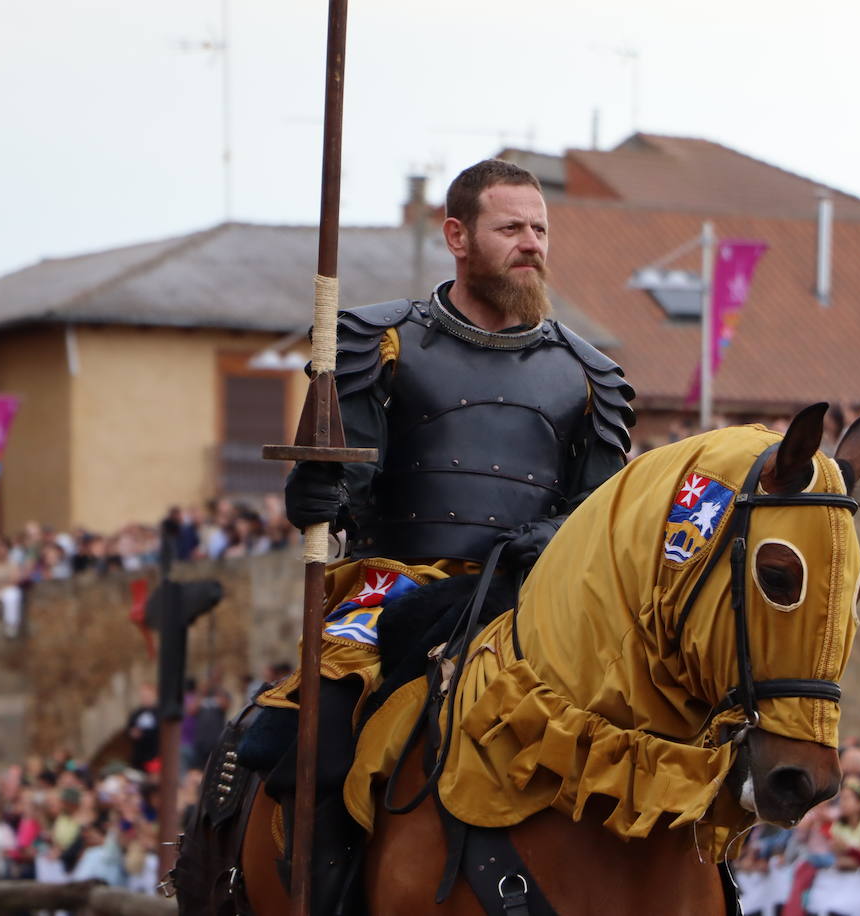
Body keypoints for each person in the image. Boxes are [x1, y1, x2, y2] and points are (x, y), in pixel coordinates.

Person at [257, 158, 637, 906]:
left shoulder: (592, 375)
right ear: (457, 235)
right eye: (511, 228)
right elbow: (343, 495)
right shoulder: (378, 339)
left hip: (526, 602)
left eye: (539, 228)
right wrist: (318, 490)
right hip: (392, 587)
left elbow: (598, 516)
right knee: (306, 746)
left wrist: (552, 537)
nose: (530, 243)